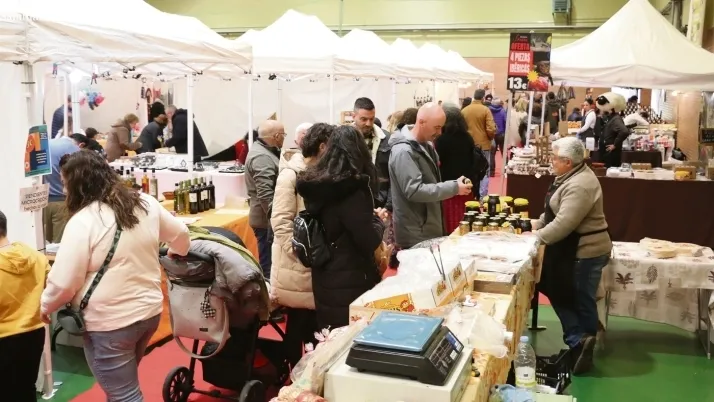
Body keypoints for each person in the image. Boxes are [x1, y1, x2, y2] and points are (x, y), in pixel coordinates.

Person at [40, 150, 190, 400]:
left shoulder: (84, 221)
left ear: (78, 184)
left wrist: (46, 305)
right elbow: (181, 234)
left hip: (110, 322)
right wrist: (178, 251)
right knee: (120, 388)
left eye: (66, 184)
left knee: (124, 394)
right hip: (149, 312)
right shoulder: (145, 203)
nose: (64, 191)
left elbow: (64, 282)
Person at [532, 137, 611, 375]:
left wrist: (534, 239)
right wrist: (534, 225)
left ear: (567, 162)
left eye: (554, 158)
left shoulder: (580, 185)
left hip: (586, 251)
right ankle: (578, 342)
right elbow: (553, 213)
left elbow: (564, 223)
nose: (551, 161)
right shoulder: (569, 176)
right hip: (571, 249)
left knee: (580, 300)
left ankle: (581, 346)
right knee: (556, 289)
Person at [296, 125, 386, 329]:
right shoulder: (351, 190)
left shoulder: (318, 185)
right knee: (352, 335)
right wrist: (378, 221)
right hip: (351, 276)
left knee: (331, 335)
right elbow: (367, 240)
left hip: (325, 273)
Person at [270, 123, 334, 365]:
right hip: (296, 264)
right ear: (322, 147)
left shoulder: (318, 172)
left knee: (313, 325)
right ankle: (293, 374)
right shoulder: (291, 175)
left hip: (313, 263)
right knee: (298, 322)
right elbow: (280, 221)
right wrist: (300, 253)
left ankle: (307, 372)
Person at [389, 103, 472, 250]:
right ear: (421, 122)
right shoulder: (404, 151)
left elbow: (430, 183)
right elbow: (414, 190)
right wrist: (453, 187)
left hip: (426, 227)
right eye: (437, 127)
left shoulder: (424, 145)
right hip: (415, 232)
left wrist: (455, 184)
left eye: (441, 127)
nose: (440, 132)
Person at [0, 210, 50, 401]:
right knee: (26, 387)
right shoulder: (35, 257)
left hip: (3, 337)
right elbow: (50, 289)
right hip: (34, 332)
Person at [245, 120, 285, 280]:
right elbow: (265, 194)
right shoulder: (262, 156)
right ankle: (268, 290)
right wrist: (276, 218)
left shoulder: (263, 151)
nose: (284, 138)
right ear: (276, 136)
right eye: (283, 135)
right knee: (269, 264)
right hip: (265, 221)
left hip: (265, 218)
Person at [434, 104, 477, 233]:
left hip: (447, 186)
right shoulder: (468, 138)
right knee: (465, 219)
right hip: (466, 184)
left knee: (448, 221)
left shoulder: (440, 140)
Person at [43, 135, 84, 243]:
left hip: (42, 200)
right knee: (59, 242)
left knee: (45, 242)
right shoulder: (74, 150)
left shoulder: (46, 144)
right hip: (62, 201)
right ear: (81, 145)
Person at [352, 97, 391, 209]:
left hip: (380, 202)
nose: (368, 123)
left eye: (371, 119)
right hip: (353, 202)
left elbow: (393, 177)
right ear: (354, 116)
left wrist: (388, 206)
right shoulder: (344, 139)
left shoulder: (387, 139)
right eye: (363, 119)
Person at [461, 89, 496, 198]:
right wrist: (490, 138)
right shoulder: (485, 110)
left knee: (470, 170)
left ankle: (471, 194)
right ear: (483, 98)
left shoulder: (464, 111)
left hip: (468, 145)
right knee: (484, 170)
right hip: (483, 145)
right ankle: (482, 197)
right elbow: (491, 129)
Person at [597, 92, 629, 168]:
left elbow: (624, 131)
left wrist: (615, 144)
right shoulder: (612, 117)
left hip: (611, 153)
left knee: (611, 171)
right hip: (608, 151)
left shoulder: (616, 119)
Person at [488, 98, 507, 167]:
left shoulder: (488, 110)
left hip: (492, 133)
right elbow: (505, 121)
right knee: (503, 151)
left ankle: (492, 170)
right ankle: (506, 166)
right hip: (501, 133)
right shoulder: (502, 111)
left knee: (492, 153)